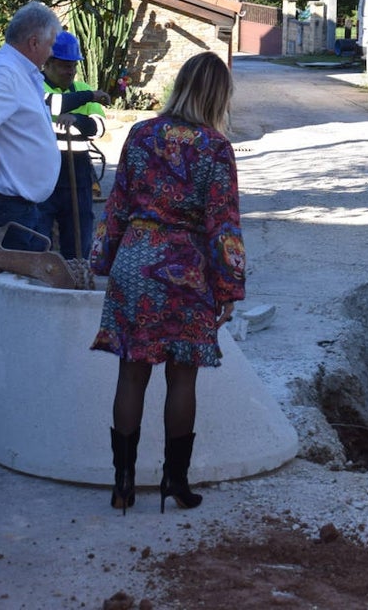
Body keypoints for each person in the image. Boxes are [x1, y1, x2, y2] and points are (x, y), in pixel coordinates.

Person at [89, 51, 246, 515]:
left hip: (135, 263)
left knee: (131, 374)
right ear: (218, 96)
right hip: (185, 271)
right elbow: (224, 224)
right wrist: (229, 287)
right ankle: (175, 482)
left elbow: (116, 205)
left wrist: (105, 260)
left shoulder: (140, 134)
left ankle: (122, 485)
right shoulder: (215, 148)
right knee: (182, 379)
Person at [0, 1, 62, 412]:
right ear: (34, 41)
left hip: (17, 208)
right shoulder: (3, 70)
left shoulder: (20, 72)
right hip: (3, 210)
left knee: (7, 296)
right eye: (51, 43)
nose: (53, 52)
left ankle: (1, 389)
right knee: (4, 297)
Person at [37, 30, 110, 260]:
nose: (71, 71)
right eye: (64, 65)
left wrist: (77, 120)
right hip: (44, 177)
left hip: (78, 177)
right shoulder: (36, 86)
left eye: (74, 66)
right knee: (38, 239)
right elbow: (50, 110)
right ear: (48, 63)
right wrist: (89, 98)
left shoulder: (80, 88)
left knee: (79, 243)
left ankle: (74, 282)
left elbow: (99, 128)